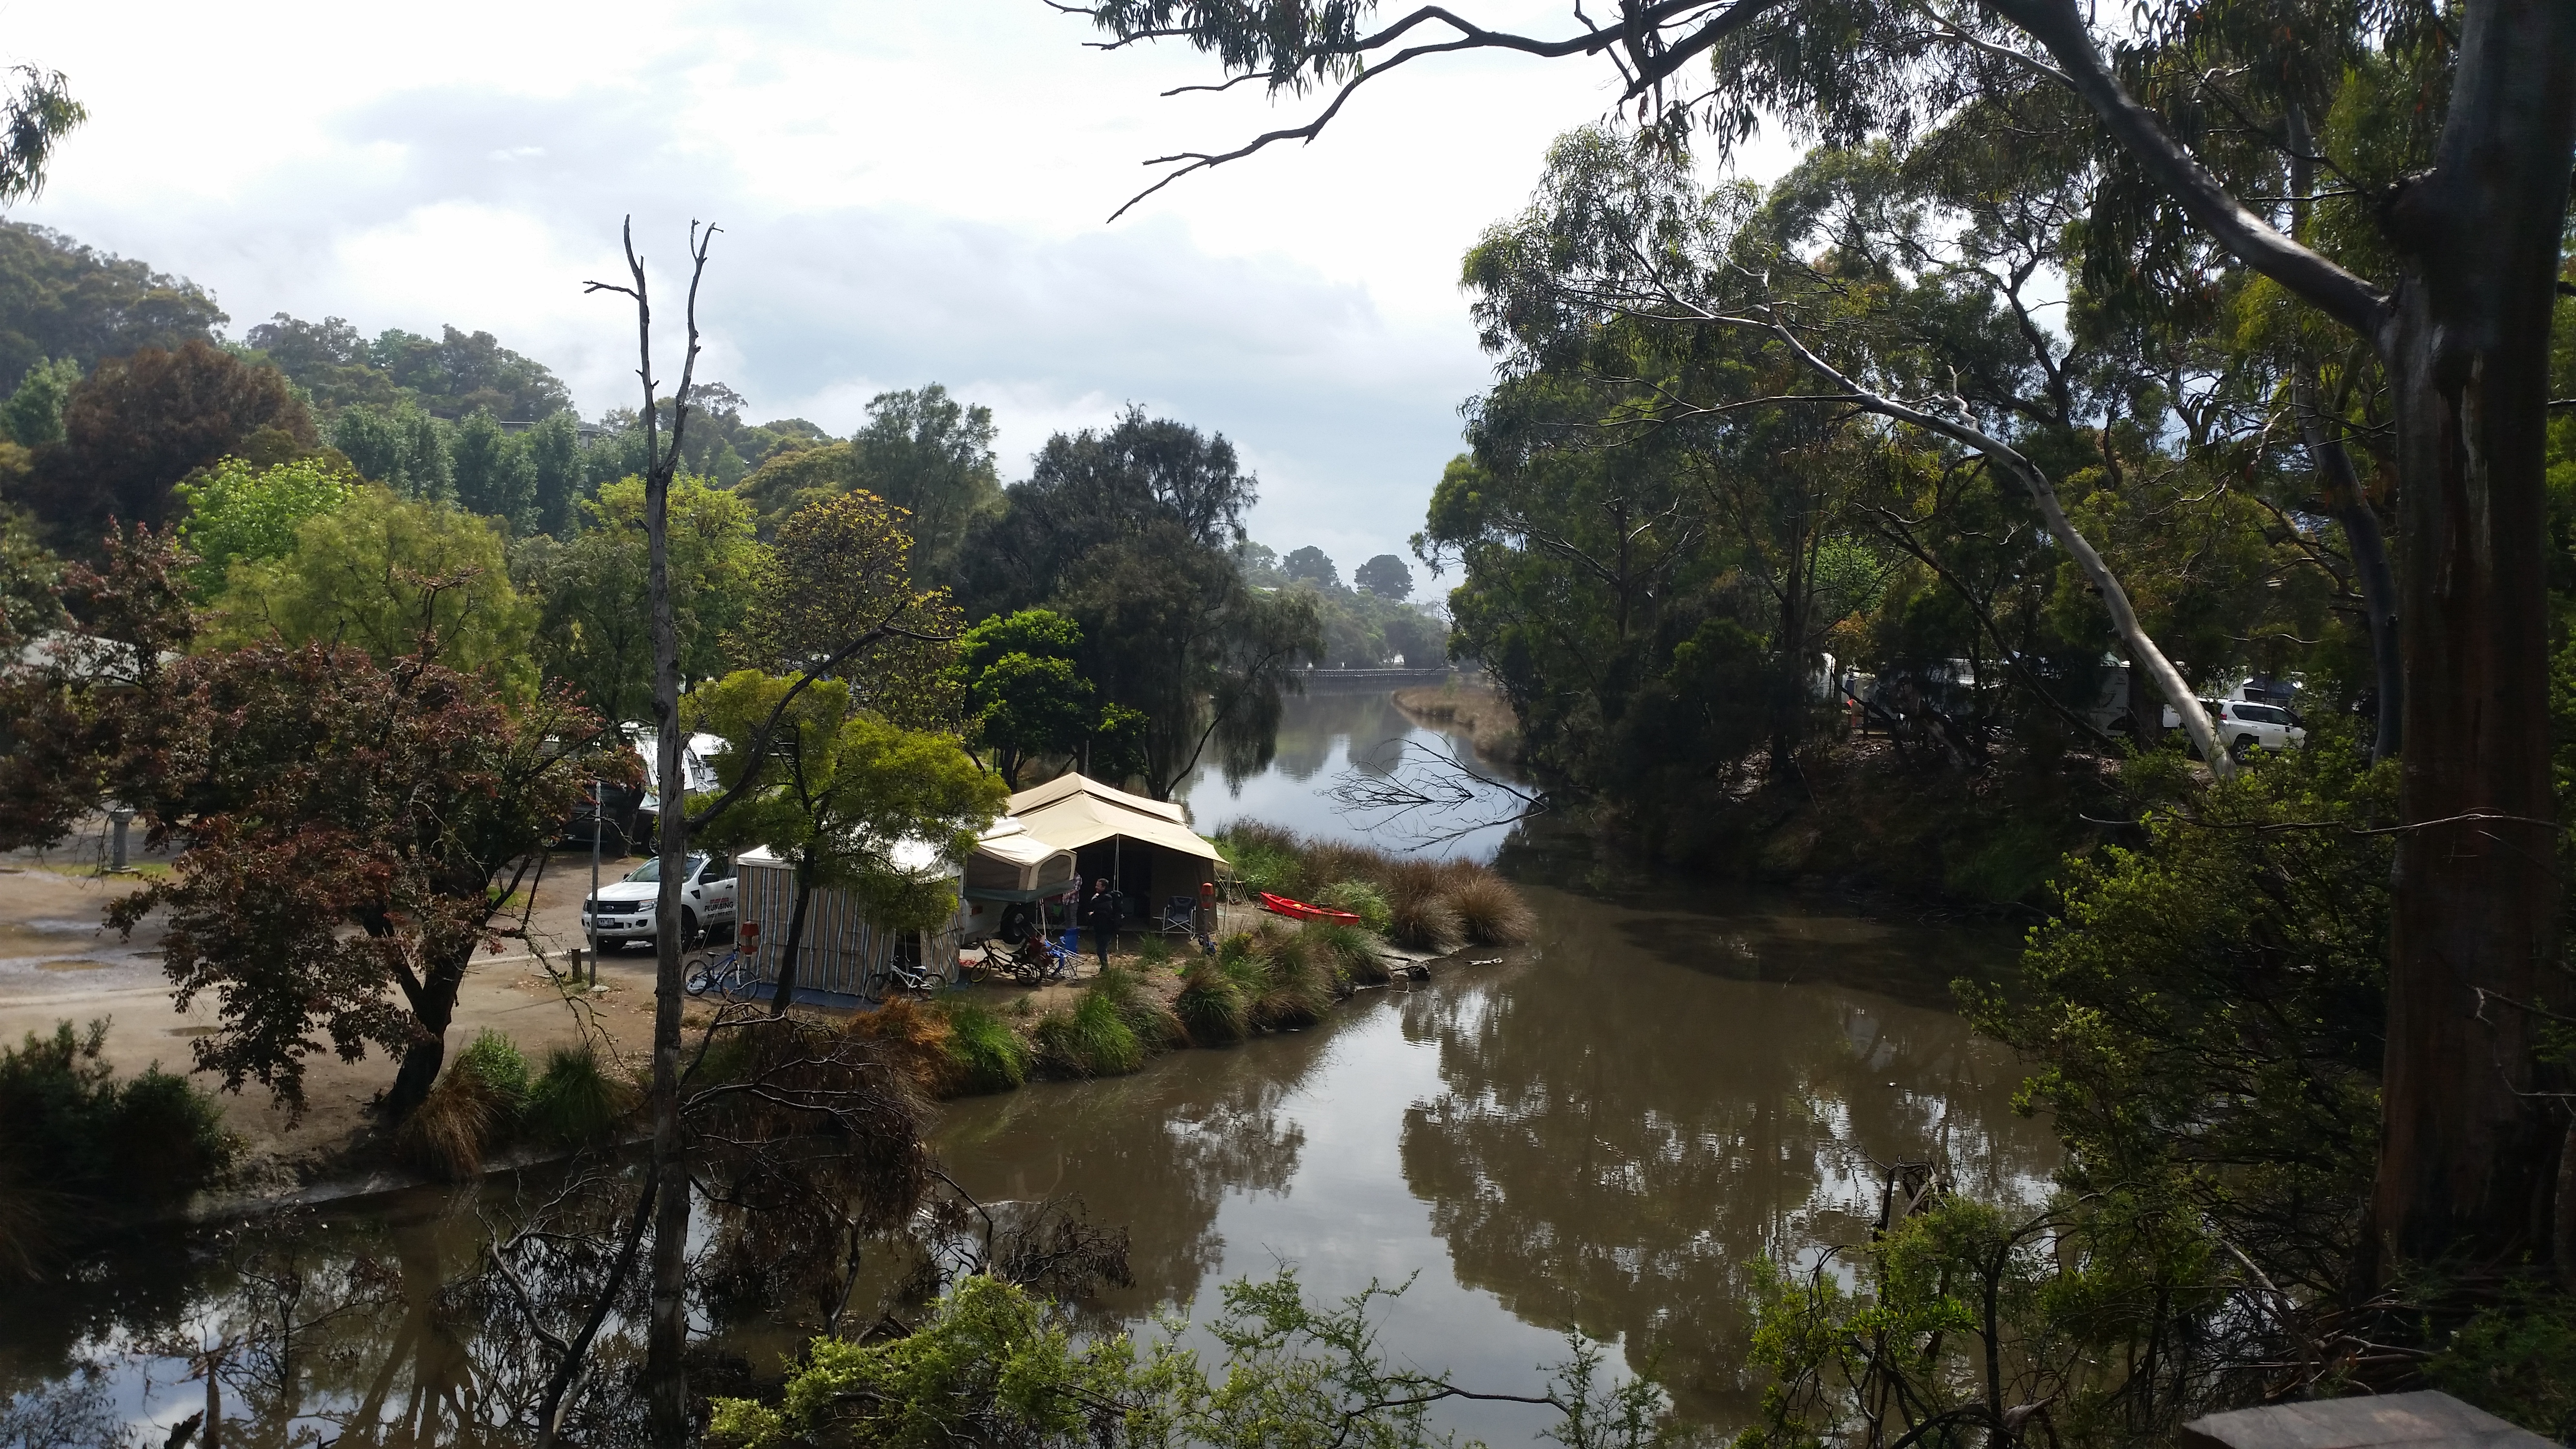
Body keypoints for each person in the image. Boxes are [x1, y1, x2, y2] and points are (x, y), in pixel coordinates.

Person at [1081, 877, 1120, 969]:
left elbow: (1095, 905)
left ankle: (1105, 968)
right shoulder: (1103, 897)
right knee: (1101, 949)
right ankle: (1104, 968)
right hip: (1100, 928)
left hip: (1106, 929)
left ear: (1104, 887)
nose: (1096, 888)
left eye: (1098, 886)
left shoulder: (1107, 898)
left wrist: (1095, 897)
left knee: (1101, 950)